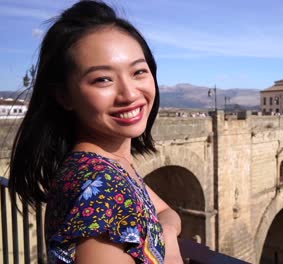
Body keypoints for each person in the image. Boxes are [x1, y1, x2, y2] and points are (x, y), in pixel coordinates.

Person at [8, 1, 182, 263]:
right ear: (64, 95)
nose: (130, 94)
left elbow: (167, 212)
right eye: (103, 79)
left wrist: (165, 237)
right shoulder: (99, 189)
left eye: (138, 71)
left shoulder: (108, 168)